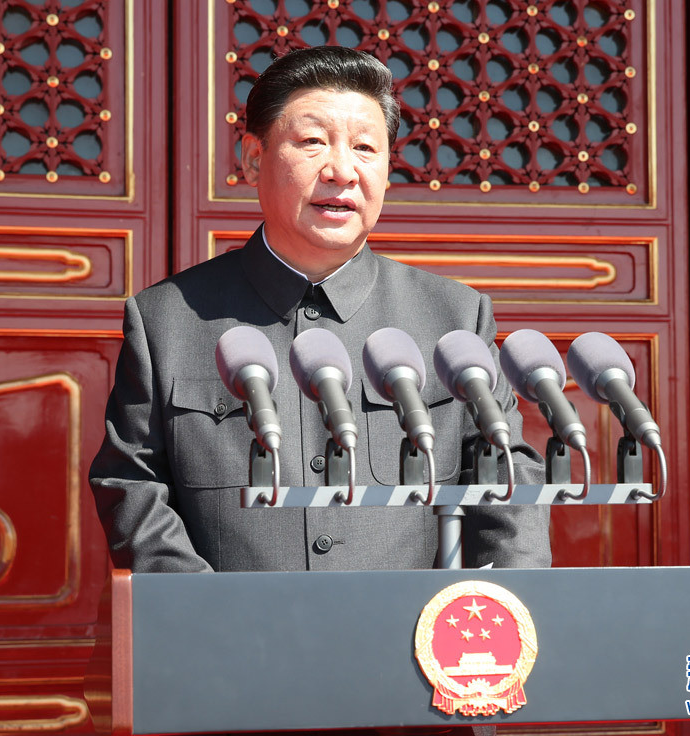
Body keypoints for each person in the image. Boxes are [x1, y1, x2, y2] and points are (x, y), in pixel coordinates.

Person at [89, 46, 550, 574]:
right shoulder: (167, 320)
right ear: (253, 159)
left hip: (407, 642)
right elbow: (133, 482)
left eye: (365, 148)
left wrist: (499, 616)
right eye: (312, 142)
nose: (342, 171)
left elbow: (509, 484)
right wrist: (207, 616)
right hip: (237, 644)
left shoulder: (453, 317)